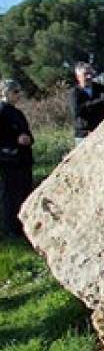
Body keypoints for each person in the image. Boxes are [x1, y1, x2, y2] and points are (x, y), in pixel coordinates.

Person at [0, 79, 34, 237]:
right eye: (16, 92)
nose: (19, 95)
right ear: (6, 93)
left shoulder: (18, 113)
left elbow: (28, 133)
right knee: (11, 195)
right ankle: (11, 228)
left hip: (24, 160)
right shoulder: (1, 111)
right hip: (9, 161)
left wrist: (27, 138)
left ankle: (24, 226)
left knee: (25, 193)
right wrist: (15, 142)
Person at [70, 62, 104, 145]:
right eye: (85, 74)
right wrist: (98, 103)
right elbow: (76, 111)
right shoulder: (74, 93)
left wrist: (87, 105)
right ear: (78, 77)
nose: (89, 76)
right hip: (84, 135)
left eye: (90, 73)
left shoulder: (99, 87)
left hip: (101, 129)